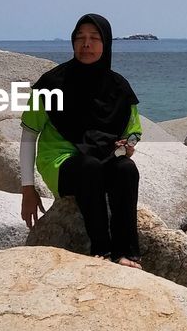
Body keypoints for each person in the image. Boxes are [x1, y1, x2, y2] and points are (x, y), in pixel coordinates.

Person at [19, 14, 144, 268]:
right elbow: (29, 134)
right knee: (89, 167)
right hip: (60, 161)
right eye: (80, 38)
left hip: (104, 157)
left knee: (126, 169)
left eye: (94, 38)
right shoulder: (51, 84)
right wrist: (27, 189)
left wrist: (127, 146)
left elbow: (134, 132)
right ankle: (101, 249)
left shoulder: (118, 87)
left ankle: (128, 252)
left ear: (106, 43)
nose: (86, 44)